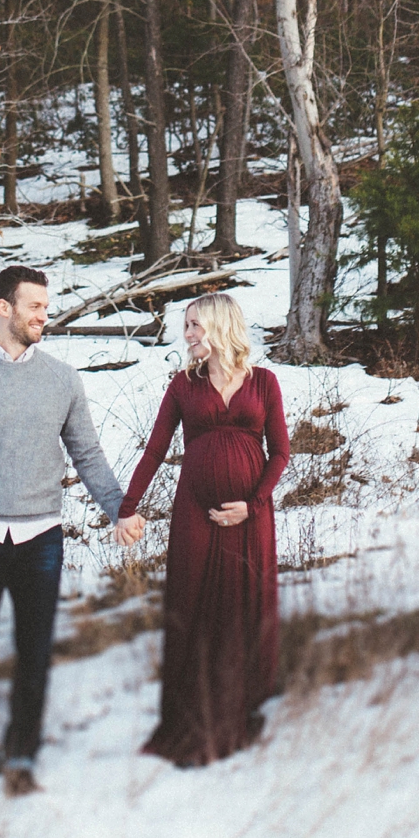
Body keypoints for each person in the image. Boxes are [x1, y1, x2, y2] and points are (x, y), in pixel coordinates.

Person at [0, 264, 146, 807]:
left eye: (46, 306)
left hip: (41, 539)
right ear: (5, 308)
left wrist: (119, 509)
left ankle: (22, 758)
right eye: (35, 306)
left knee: (34, 654)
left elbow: (87, 454)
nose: (45, 315)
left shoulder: (62, 379)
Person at [113, 292, 289, 767]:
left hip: (250, 515)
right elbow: (155, 449)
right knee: (192, 605)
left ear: (221, 325)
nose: (188, 334)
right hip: (195, 510)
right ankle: (192, 721)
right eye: (186, 325)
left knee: (243, 606)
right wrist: (128, 507)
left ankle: (243, 714)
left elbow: (280, 453)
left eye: (195, 325)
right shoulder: (183, 386)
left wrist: (252, 505)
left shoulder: (264, 382)